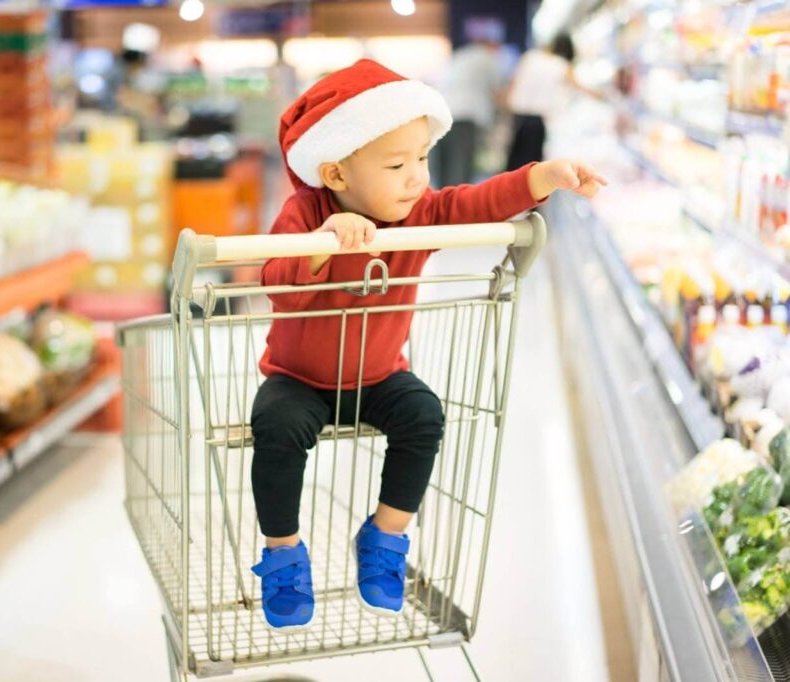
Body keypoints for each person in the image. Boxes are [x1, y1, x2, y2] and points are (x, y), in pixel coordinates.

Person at [250, 58, 606, 630]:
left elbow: (478, 202)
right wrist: (324, 244)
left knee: (423, 414)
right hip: (300, 378)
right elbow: (278, 287)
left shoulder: (419, 211)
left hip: (379, 374)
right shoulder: (306, 212)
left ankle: (385, 536)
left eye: (421, 157)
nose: (417, 176)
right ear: (337, 174)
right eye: (397, 164)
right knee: (275, 428)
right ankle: (284, 552)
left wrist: (543, 177)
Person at [431, 18, 507, 186]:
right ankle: (454, 211)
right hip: (466, 118)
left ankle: (440, 209)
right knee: (460, 168)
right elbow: (498, 93)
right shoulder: (488, 58)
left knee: (444, 169)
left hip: (443, 114)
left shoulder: (459, 56)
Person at [505, 33, 593, 170]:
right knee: (530, 166)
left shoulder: (530, 57)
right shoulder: (560, 65)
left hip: (517, 115)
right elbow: (581, 87)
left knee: (515, 159)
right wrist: (606, 96)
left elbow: (512, 83)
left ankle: (508, 190)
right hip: (536, 119)